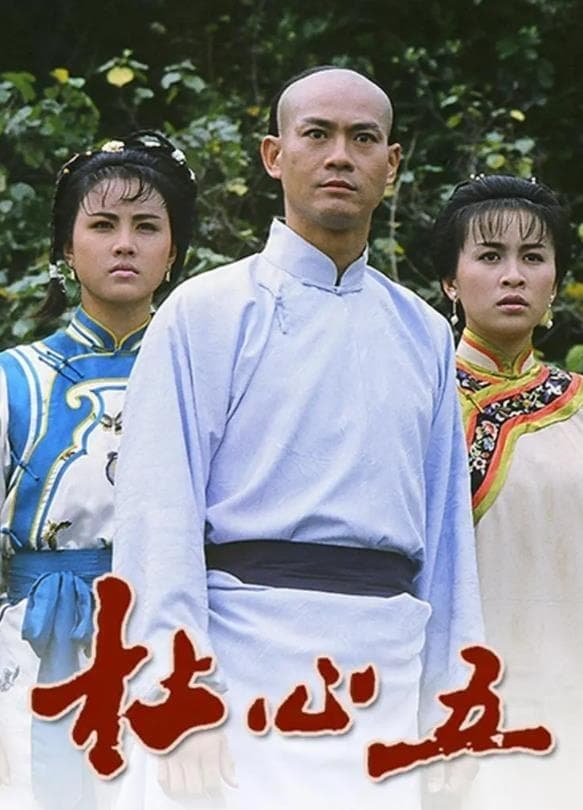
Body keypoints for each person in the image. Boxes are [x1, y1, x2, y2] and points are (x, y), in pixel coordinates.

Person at [113, 66, 483, 810]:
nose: (340, 155)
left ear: (392, 163)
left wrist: (457, 699)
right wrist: (175, 688)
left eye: (362, 138)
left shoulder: (420, 332)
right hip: (239, 668)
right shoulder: (205, 312)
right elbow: (158, 516)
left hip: (385, 668)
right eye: (317, 134)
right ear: (274, 155)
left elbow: (446, 534)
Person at [0, 130, 197, 810]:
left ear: (173, 251)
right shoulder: (16, 379)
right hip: (36, 645)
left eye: (147, 227)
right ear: (66, 247)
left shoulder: (205, 376)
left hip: (172, 638)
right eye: (103, 225)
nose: (125, 244)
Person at [433, 174, 583, 810]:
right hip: (458, 703)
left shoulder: (577, 406)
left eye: (534, 257)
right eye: (490, 256)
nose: (513, 276)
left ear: (556, 279)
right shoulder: (421, 400)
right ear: (451, 280)